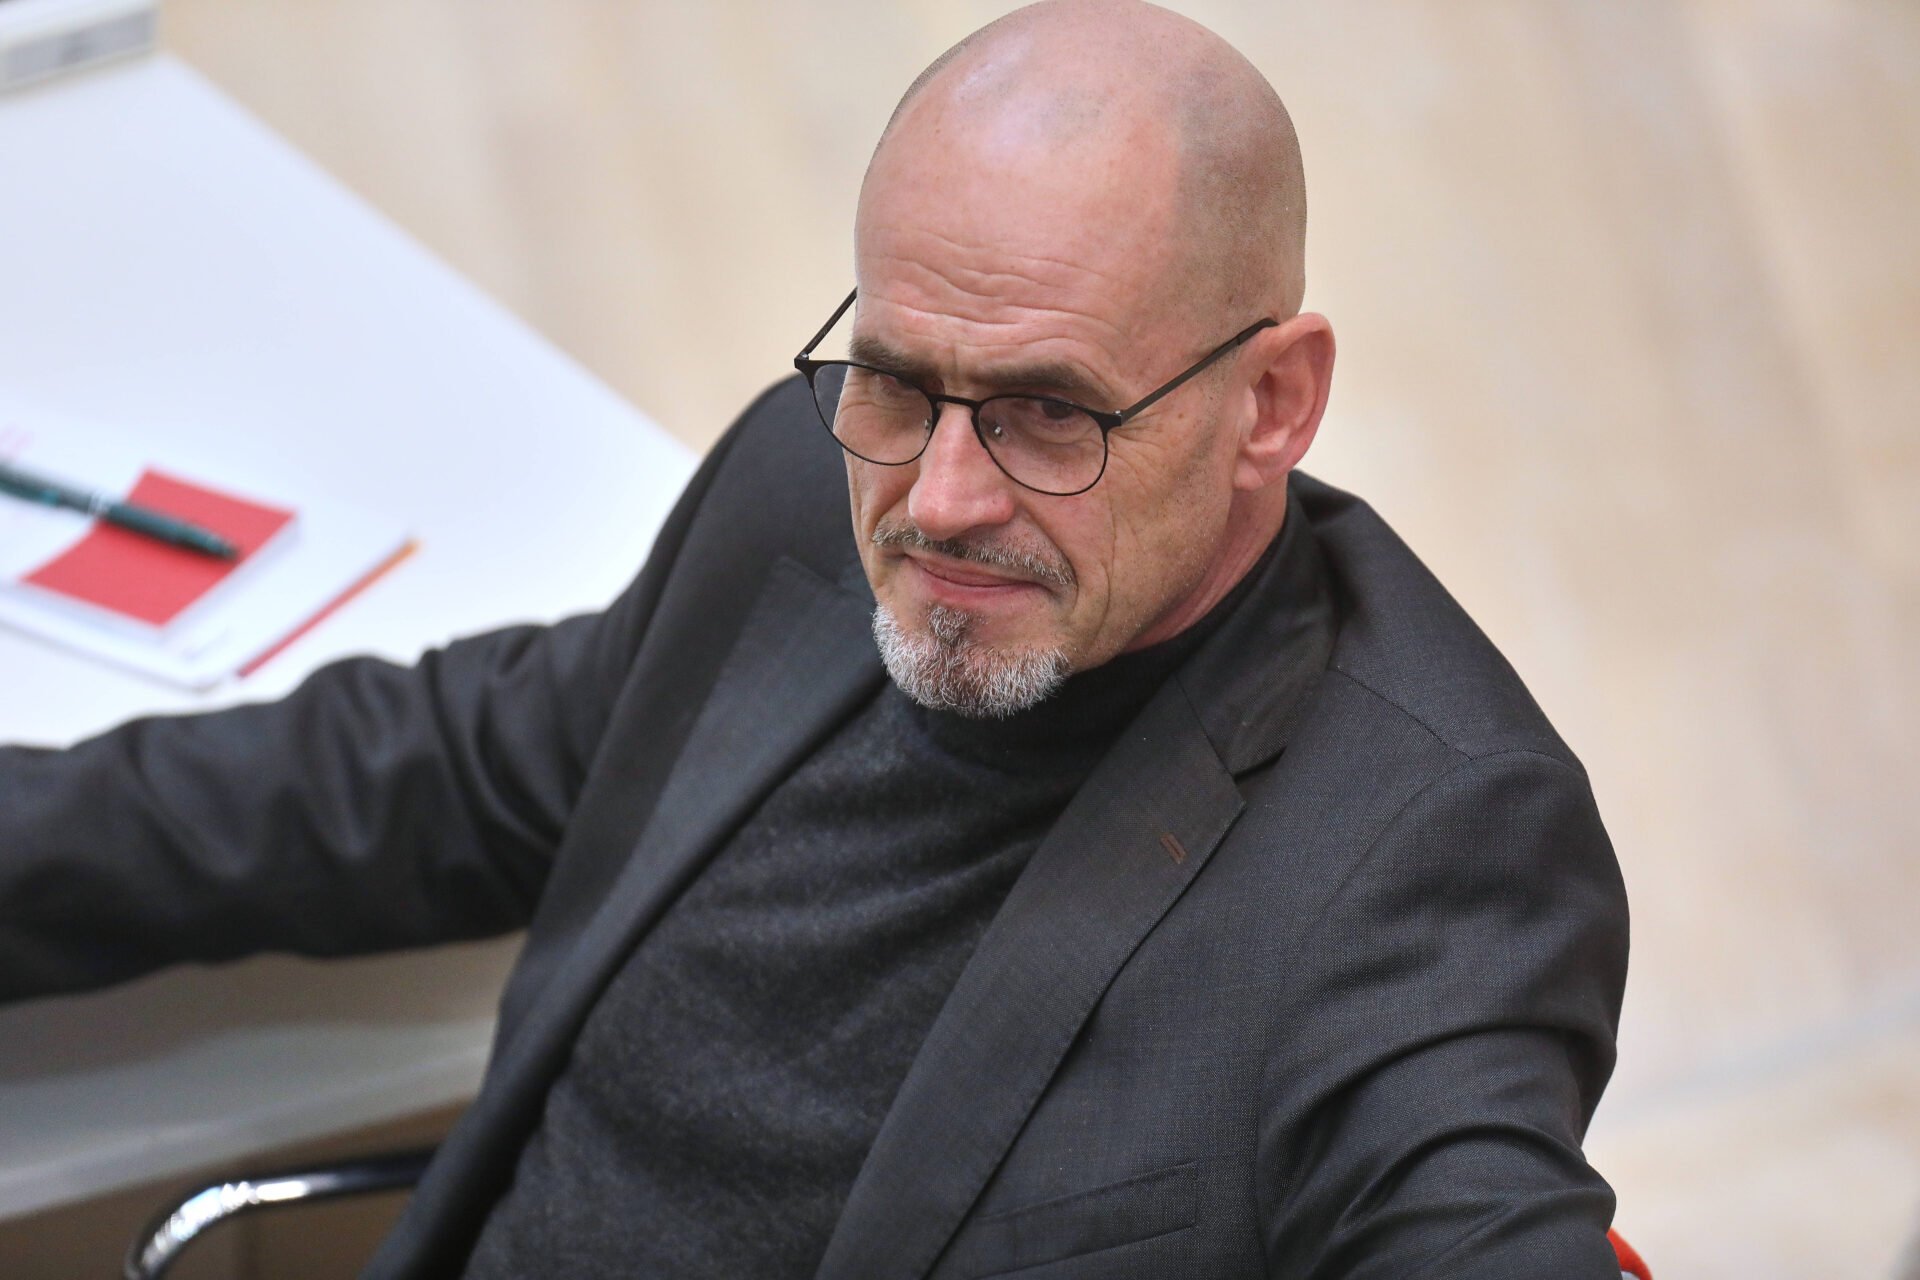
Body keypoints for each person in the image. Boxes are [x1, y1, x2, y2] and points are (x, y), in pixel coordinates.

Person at [0, 2, 1629, 1276]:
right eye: (899, 381)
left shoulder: (1428, 847)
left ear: (1272, 401)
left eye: (1049, 416)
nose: (941, 500)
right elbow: (430, 775)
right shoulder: (805, 484)